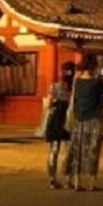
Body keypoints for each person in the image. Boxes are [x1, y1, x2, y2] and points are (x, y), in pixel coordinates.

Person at [66, 54, 103, 191]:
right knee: (93, 150)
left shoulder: (77, 82)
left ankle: (77, 181)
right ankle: (91, 182)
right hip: (94, 119)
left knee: (78, 150)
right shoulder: (98, 83)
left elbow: (75, 101)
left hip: (79, 119)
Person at [44, 61, 74, 189]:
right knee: (68, 150)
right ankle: (67, 178)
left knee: (54, 150)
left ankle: (52, 179)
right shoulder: (74, 88)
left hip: (56, 117)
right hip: (68, 117)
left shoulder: (54, 87)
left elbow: (49, 103)